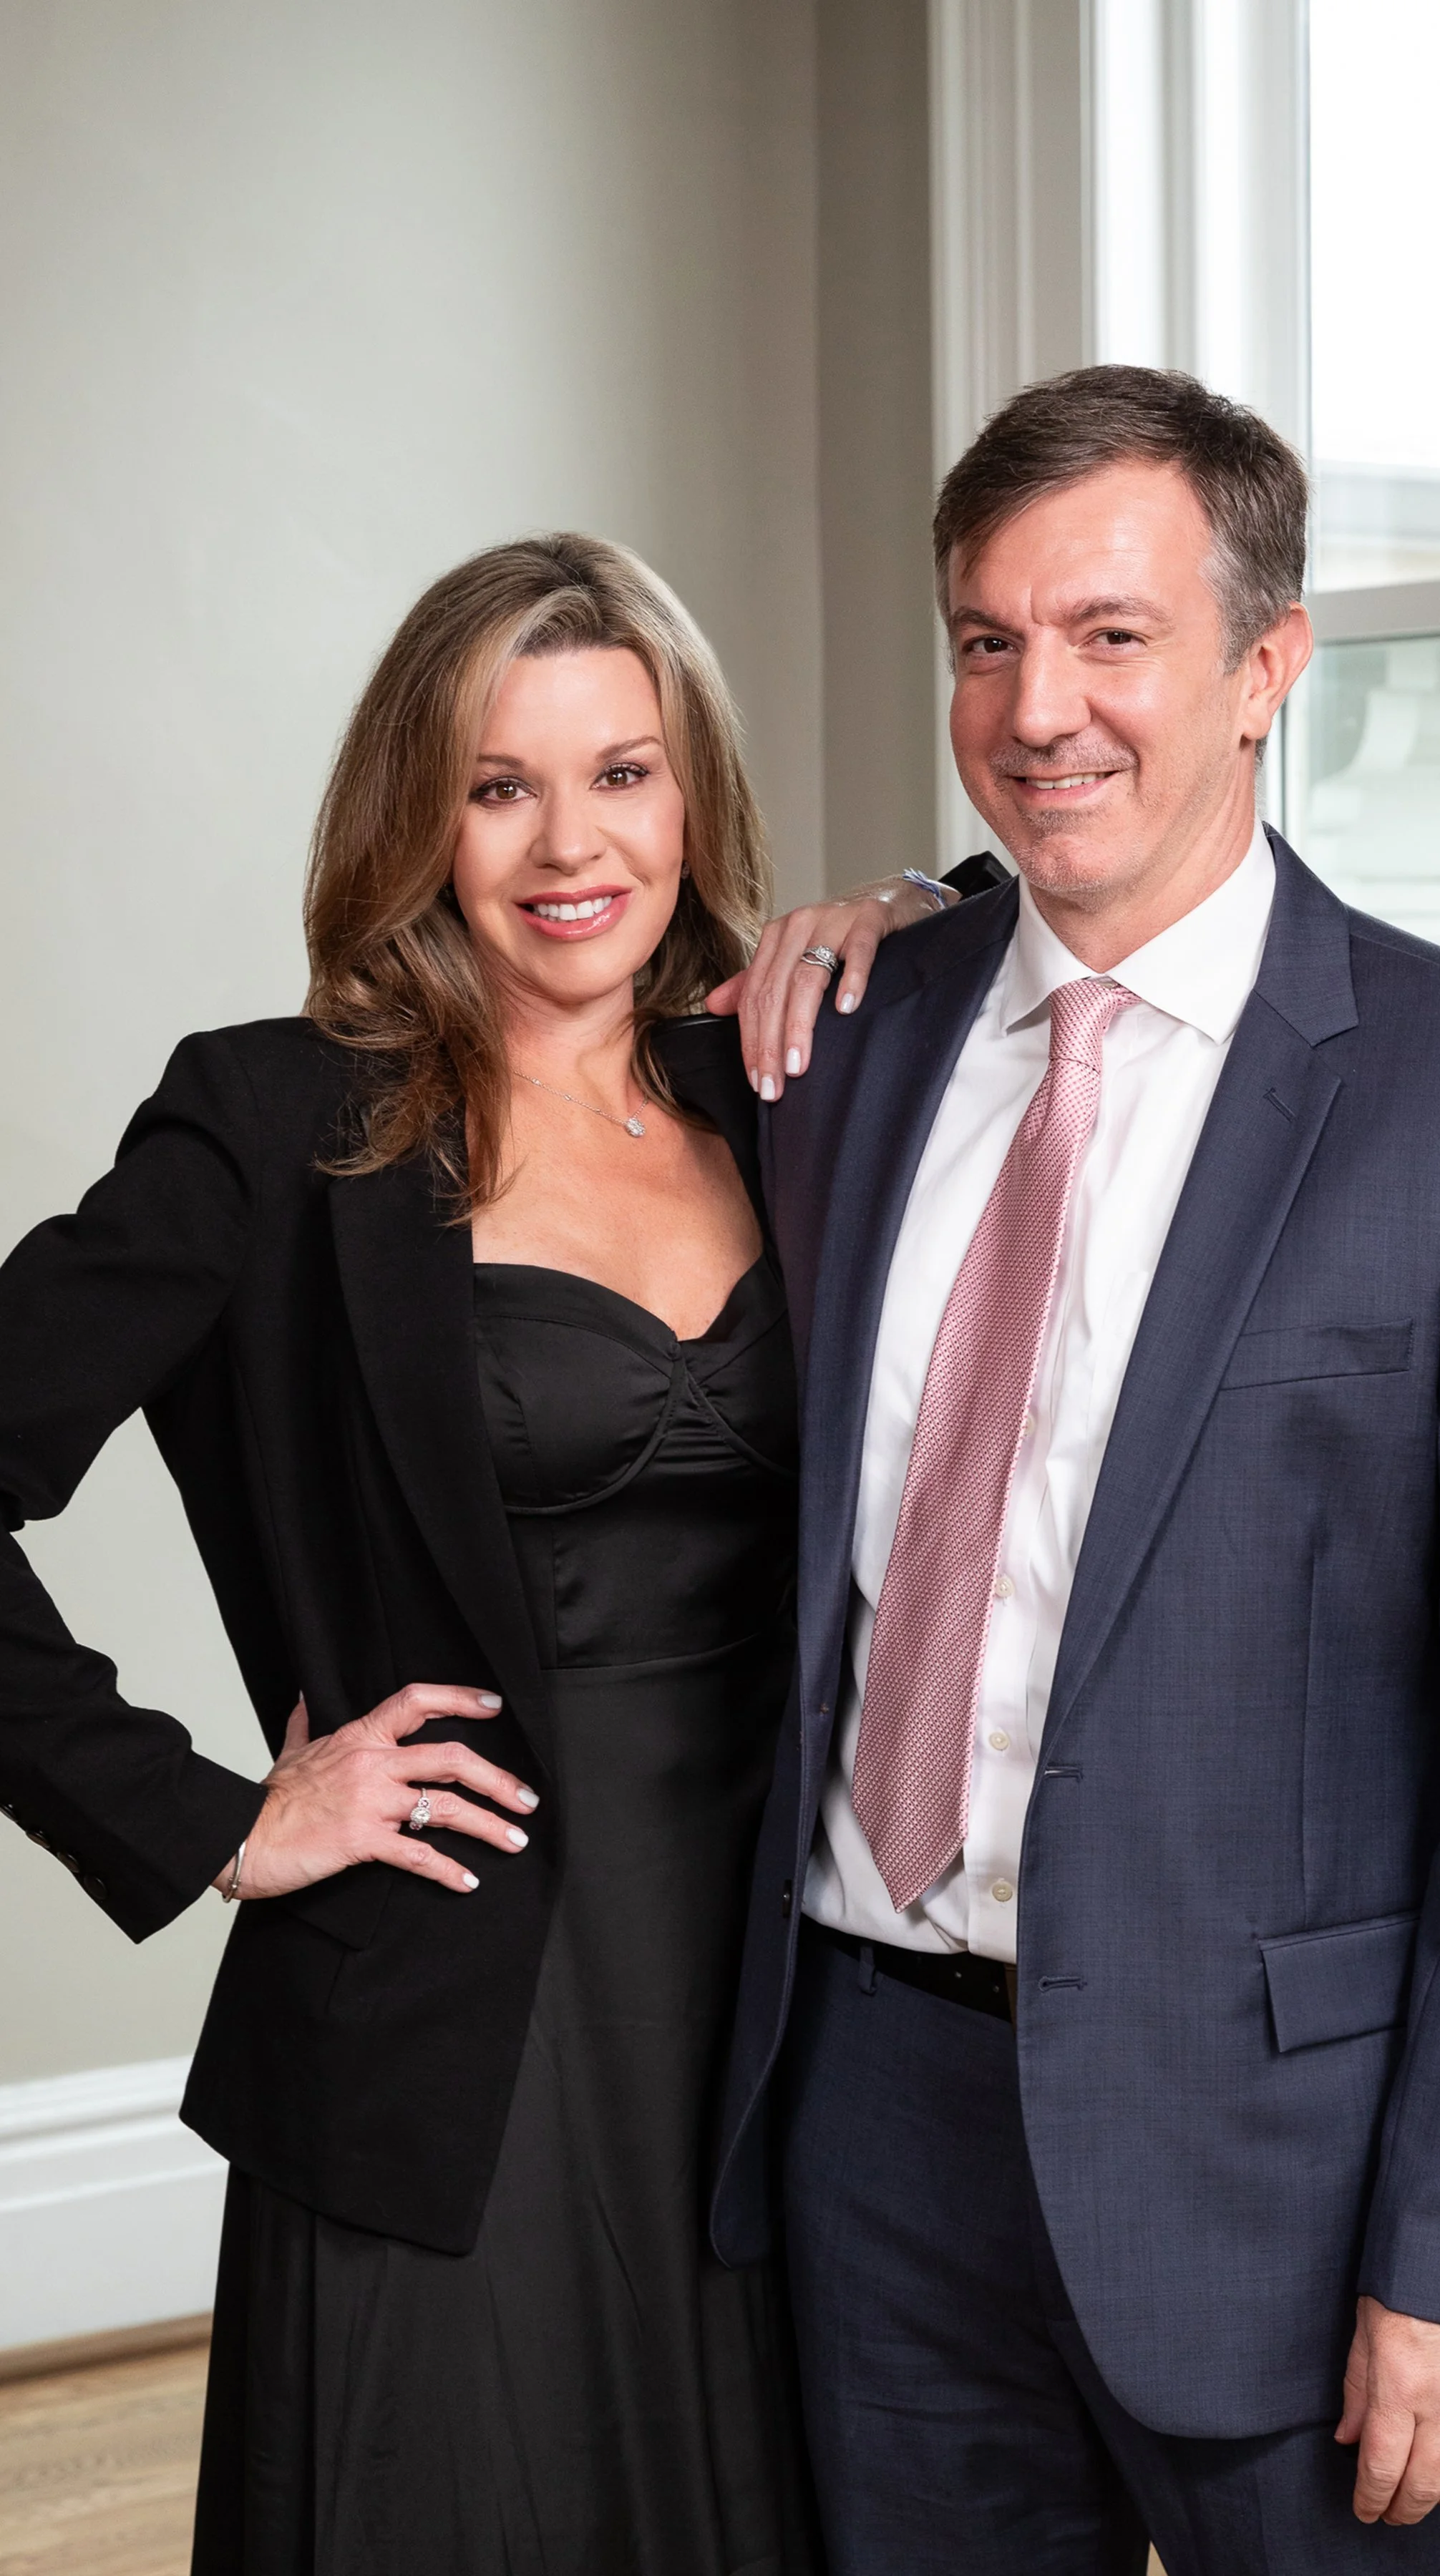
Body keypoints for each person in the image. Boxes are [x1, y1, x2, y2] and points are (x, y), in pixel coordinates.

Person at [709, 367, 1440, 2575]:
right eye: (988, 639)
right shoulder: (842, 1041)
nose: (1038, 706)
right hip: (874, 2112)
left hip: (1287, 2172)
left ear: (1266, 665)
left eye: (1112, 636)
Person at [0, 532, 944, 2576]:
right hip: (445, 2037)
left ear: (694, 795)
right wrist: (207, 1820)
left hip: (775, 2023)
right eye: (498, 785)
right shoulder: (275, 1122)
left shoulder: (781, 1090)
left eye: (624, 773)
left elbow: (1056, 955)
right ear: (416, 819)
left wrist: (917, 905)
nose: (567, 844)